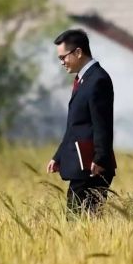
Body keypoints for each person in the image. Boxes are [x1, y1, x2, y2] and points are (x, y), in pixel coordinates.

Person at [46, 29, 117, 216]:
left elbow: (102, 124)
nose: (62, 62)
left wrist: (100, 158)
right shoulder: (83, 80)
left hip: (92, 166)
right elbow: (76, 126)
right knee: (78, 219)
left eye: (63, 57)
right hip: (81, 165)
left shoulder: (98, 80)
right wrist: (58, 156)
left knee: (81, 220)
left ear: (78, 52)